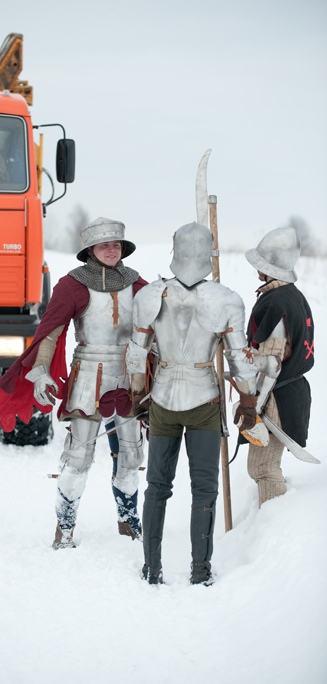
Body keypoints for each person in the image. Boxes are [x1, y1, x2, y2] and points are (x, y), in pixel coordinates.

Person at [0, 218, 148, 548]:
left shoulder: (138, 284)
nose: (111, 250)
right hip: (88, 376)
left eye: (116, 245)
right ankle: (65, 527)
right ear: (90, 251)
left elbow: (157, 327)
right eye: (104, 245)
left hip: (130, 377)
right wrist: (40, 372)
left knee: (130, 455)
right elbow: (50, 332)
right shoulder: (72, 285)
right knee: (79, 457)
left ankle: (129, 524)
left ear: (123, 248)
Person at [126, 222, 257, 585]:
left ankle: (152, 569)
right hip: (203, 399)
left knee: (157, 486)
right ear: (209, 253)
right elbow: (239, 360)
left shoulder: (151, 294)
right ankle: (200, 571)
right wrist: (248, 401)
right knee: (204, 488)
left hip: (164, 398)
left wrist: (138, 397)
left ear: (174, 251)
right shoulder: (227, 298)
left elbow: (136, 357)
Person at [244, 227, 314, 507]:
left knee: (262, 468)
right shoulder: (292, 295)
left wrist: (252, 404)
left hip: (276, 396)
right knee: (264, 466)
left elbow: (271, 363)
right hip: (290, 391)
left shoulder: (276, 302)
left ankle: (272, 532)